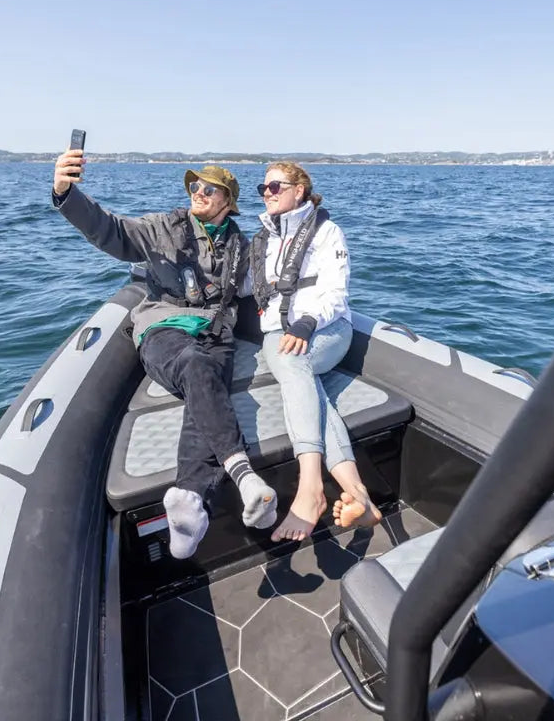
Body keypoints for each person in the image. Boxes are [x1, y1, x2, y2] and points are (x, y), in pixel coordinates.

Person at [52, 149, 276, 559]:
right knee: (194, 364)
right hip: (164, 325)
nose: (199, 193)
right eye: (195, 186)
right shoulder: (163, 228)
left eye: (210, 189)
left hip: (215, 330)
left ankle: (190, 497)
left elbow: (259, 283)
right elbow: (113, 231)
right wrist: (67, 194)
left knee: (204, 380)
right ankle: (244, 475)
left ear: (228, 202)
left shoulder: (241, 245)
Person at [246, 162, 382, 542]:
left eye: (275, 186)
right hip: (278, 333)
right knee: (315, 394)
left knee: (293, 363)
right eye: (263, 187)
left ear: (299, 190)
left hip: (326, 331)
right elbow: (244, 286)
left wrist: (307, 322)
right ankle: (359, 496)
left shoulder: (327, 232)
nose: (267, 192)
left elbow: (336, 293)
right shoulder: (263, 240)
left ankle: (310, 487)